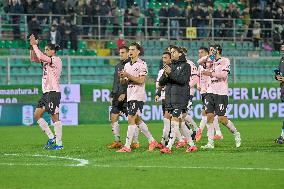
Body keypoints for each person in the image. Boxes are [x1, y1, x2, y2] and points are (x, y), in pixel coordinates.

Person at [116, 42, 158, 152]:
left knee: (130, 118)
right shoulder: (126, 65)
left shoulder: (142, 64)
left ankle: (127, 146)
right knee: (137, 119)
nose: (130, 51)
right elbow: (124, 82)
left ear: (138, 51)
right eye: (129, 49)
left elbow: (141, 80)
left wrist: (128, 75)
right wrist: (121, 78)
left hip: (138, 95)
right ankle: (152, 140)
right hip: (130, 94)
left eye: (133, 49)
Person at [199, 44, 241, 149]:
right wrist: (209, 57)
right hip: (210, 92)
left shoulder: (225, 61)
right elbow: (199, 62)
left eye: (212, 50)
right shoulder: (210, 61)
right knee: (209, 116)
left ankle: (236, 133)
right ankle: (210, 143)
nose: (210, 52)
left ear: (218, 50)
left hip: (221, 93)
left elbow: (223, 75)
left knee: (222, 118)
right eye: (209, 50)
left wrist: (210, 73)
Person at [159, 45, 197, 154]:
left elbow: (182, 80)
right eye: (170, 52)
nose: (172, 54)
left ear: (180, 53)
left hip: (181, 96)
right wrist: (166, 74)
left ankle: (169, 146)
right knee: (180, 122)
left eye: (174, 52)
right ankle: (192, 145)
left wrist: (170, 73)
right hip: (170, 97)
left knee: (174, 120)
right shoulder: (170, 65)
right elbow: (161, 83)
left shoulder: (186, 66)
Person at [29, 34, 63, 150]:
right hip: (46, 92)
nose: (45, 52)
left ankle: (59, 143)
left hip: (53, 91)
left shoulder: (56, 60)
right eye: (45, 50)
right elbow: (33, 58)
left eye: (47, 50)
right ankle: (51, 137)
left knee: (54, 117)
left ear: (53, 51)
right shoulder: (46, 61)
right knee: (37, 115)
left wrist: (35, 45)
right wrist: (31, 46)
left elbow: (39, 55)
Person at [108, 45, 140, 149]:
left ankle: (135, 141)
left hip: (128, 96)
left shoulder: (130, 65)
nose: (120, 54)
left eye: (122, 52)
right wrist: (112, 94)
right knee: (113, 116)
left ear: (127, 53)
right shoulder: (117, 66)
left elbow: (130, 82)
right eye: (120, 52)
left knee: (134, 119)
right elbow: (116, 82)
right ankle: (117, 141)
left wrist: (124, 93)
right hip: (117, 96)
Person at [195, 47, 223, 142]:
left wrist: (210, 56)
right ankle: (218, 133)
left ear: (207, 53)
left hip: (211, 91)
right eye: (199, 52)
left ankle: (199, 131)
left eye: (202, 52)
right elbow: (198, 76)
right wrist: (198, 85)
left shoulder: (211, 63)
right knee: (211, 114)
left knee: (206, 112)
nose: (200, 54)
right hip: (204, 91)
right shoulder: (200, 65)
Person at [274, 43, 284, 144]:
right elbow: (279, 73)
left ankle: (282, 136)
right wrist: (277, 76)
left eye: (283, 46)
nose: (282, 47)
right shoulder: (281, 59)